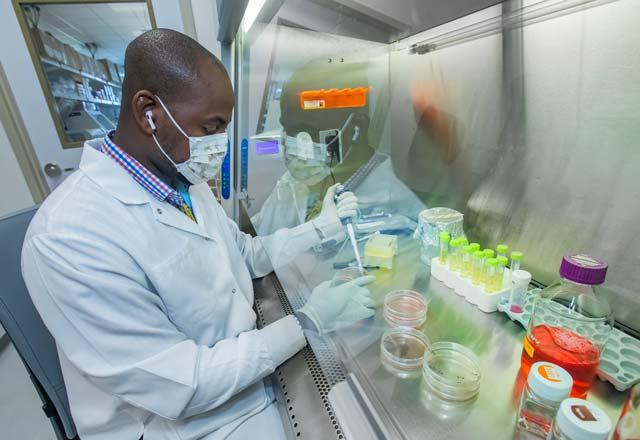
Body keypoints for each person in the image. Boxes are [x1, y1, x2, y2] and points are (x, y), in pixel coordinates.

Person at [21, 29, 375, 440]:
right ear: (148, 112)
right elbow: (183, 384)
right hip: (179, 425)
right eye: (211, 127)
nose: (220, 145)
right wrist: (308, 321)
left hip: (241, 377)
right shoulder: (69, 239)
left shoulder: (182, 179)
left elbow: (245, 253)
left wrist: (322, 226)